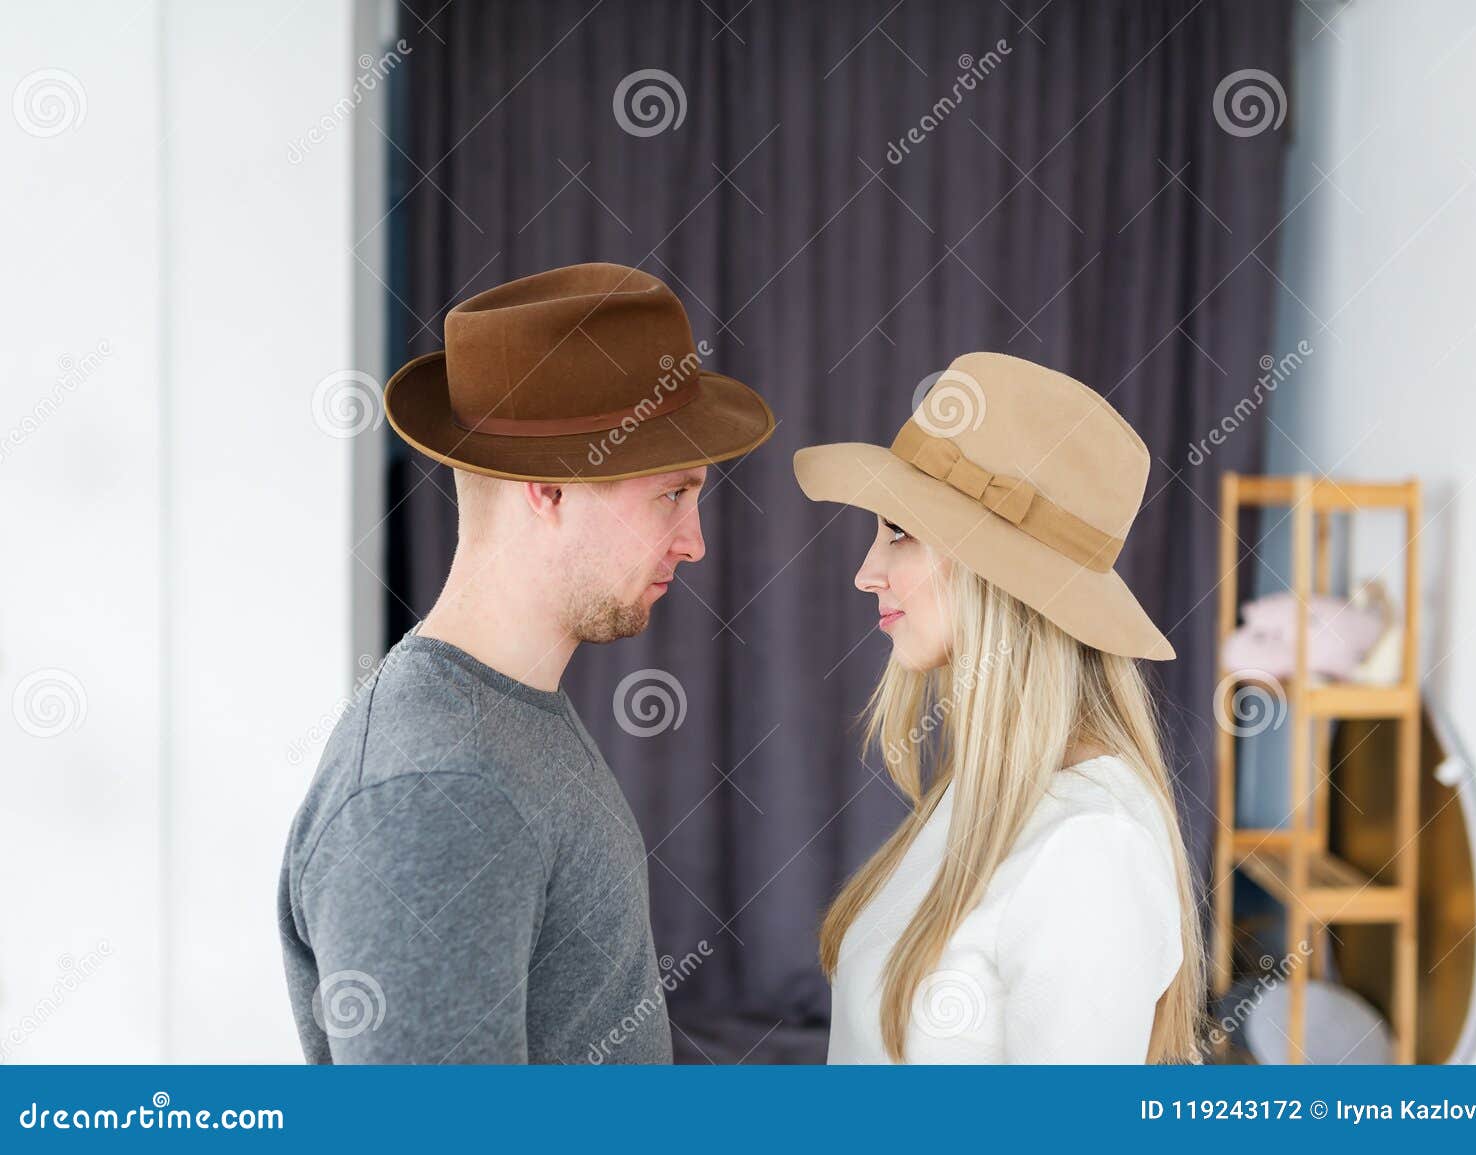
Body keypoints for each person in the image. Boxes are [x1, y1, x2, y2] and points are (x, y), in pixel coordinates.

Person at [278, 263, 774, 1063]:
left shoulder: (507, 716)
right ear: (547, 487)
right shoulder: (436, 793)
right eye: (670, 495)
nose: (695, 540)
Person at [792, 352, 1204, 1063]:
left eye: (900, 531)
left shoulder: (1090, 846)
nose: (867, 571)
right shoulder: (988, 787)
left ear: (997, 578)